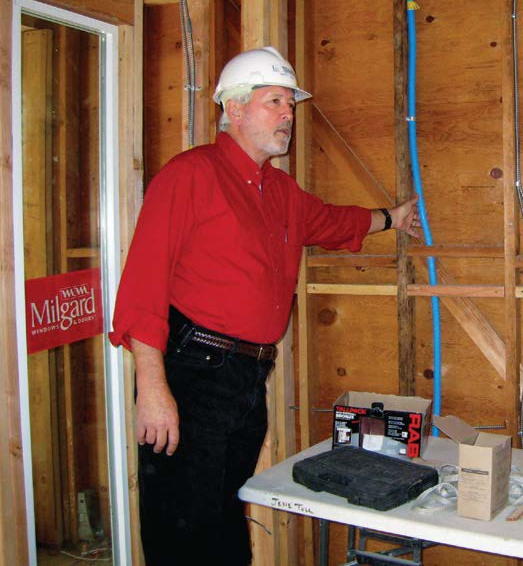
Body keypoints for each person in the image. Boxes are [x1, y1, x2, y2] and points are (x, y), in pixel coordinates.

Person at [109, 46, 420, 566]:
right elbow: (142, 282)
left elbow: (333, 222)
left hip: (247, 383)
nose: (287, 115)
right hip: (192, 375)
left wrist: (391, 217)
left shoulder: (281, 192)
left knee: (228, 523)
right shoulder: (190, 175)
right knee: (182, 531)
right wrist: (153, 386)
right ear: (233, 109)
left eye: (290, 106)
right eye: (274, 101)